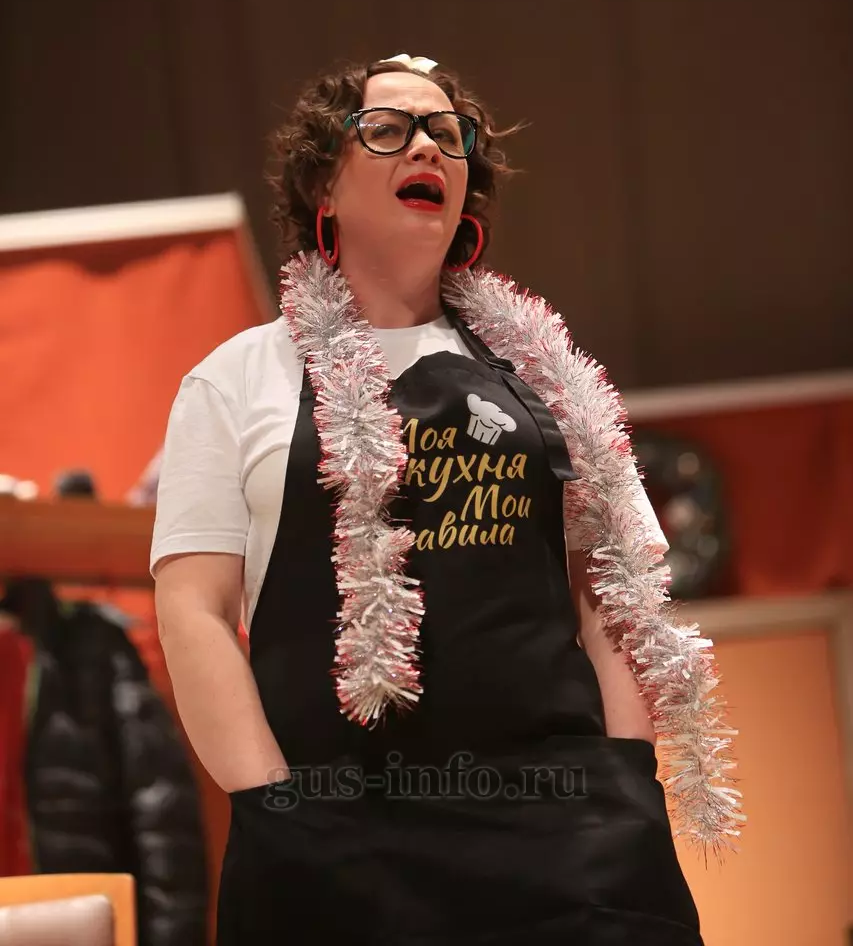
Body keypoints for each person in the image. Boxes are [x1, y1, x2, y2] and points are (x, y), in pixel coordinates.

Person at [151, 54, 738, 944]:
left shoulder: (546, 374)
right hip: (333, 833)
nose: (425, 146)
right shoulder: (233, 380)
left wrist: (622, 778)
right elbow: (192, 610)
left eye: (446, 134)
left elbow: (606, 589)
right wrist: (272, 804)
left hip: (563, 832)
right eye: (387, 130)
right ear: (321, 185)